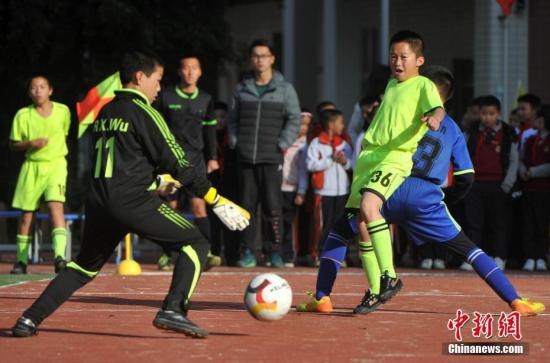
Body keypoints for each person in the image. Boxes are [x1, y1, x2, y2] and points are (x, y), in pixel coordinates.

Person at [11, 51, 250, 339]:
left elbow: (124, 160)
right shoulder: (145, 112)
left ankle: (28, 319)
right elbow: (180, 162)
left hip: (99, 203)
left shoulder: (105, 112)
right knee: (197, 243)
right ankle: (173, 309)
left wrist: (158, 180)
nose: (160, 88)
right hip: (132, 202)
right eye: (157, 80)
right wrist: (214, 198)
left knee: (82, 267)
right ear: (140, 77)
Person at [297, 65, 544, 317]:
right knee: (470, 249)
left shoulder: (404, 112)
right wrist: (445, 198)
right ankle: (515, 301)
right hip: (426, 196)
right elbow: (466, 177)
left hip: (390, 187)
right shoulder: (455, 129)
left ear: (425, 88)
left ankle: (325, 297)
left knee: (340, 233)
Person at [345, 30, 444, 300]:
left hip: (395, 156)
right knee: (362, 223)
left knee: (369, 206)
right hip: (370, 156)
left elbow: (438, 109)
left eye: (403, 57)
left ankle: (389, 275)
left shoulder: (423, 85)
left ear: (419, 60)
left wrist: (435, 118)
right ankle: (375, 290)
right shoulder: (391, 85)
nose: (397, 62)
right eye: (393, 57)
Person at [228, 39, 301, 268]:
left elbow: (294, 119)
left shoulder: (285, 89)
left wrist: (282, 143)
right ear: (252, 60)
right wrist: (236, 141)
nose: (260, 60)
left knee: (272, 206)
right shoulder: (242, 88)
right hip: (246, 157)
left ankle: (274, 252)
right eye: (256, 56)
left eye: (264, 55)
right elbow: (232, 119)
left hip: (271, 157)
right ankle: (247, 251)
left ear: (272, 58)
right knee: (246, 207)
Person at [154, 55, 220, 271]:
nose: (190, 72)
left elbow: (210, 131)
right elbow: (157, 127)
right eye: (186, 68)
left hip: (196, 161)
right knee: (169, 207)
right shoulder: (166, 96)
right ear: (180, 72)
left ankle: (207, 252)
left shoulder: (207, 99)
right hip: (171, 161)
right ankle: (166, 255)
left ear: (200, 72)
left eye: (194, 68)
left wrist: (212, 157)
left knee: (199, 205)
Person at [9, 75, 71, 274]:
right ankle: (21, 261)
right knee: (27, 216)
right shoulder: (22, 115)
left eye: (42, 87)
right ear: (29, 92)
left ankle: (60, 258)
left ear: (50, 90)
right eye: (34, 87)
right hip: (32, 167)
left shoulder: (63, 111)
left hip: (56, 165)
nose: (38, 91)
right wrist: (30, 143)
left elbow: (65, 133)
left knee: (55, 207)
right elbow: (13, 143)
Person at [463, 95, 518, 271]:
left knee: (498, 224)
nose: (487, 117)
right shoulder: (471, 132)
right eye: (484, 113)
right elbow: (463, 155)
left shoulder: (508, 133)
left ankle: (499, 257)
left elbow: (514, 161)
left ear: (499, 114)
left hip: (498, 185)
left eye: (491, 114)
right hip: (475, 184)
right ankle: (473, 258)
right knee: (473, 223)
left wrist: (507, 185)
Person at [307, 109, 352, 261]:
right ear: (331, 124)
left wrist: (344, 161)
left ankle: (338, 256)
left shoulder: (344, 144)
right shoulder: (316, 143)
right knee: (323, 226)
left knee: (339, 225)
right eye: (340, 122)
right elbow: (311, 165)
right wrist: (330, 159)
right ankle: (319, 254)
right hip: (324, 191)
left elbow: (352, 164)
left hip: (342, 191)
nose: (343, 126)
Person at [519, 104, 550, 271]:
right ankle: (530, 256)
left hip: (543, 190)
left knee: (541, 225)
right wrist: (523, 171)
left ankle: (541, 256)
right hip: (528, 189)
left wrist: (533, 172)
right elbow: (522, 159)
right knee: (529, 224)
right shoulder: (530, 140)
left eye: (537, 118)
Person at [281, 111, 310, 266]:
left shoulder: (306, 144)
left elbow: (303, 170)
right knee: (279, 223)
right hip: (279, 187)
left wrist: (302, 191)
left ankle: (292, 254)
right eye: (300, 124)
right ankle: (279, 253)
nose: (303, 128)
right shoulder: (284, 141)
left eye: (306, 125)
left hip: (295, 188)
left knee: (293, 224)